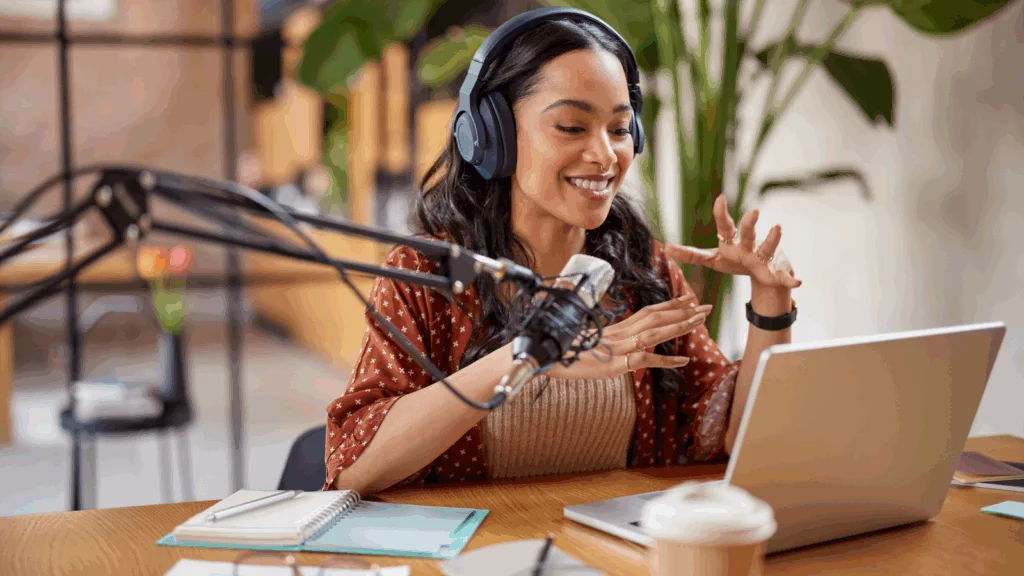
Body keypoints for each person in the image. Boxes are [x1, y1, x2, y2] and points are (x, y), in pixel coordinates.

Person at [323, 10, 802, 495]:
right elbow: (353, 468)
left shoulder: (641, 267)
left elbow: (735, 438)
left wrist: (770, 302)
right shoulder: (427, 272)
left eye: (619, 129)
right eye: (572, 127)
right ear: (493, 135)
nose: (605, 154)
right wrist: (530, 357)